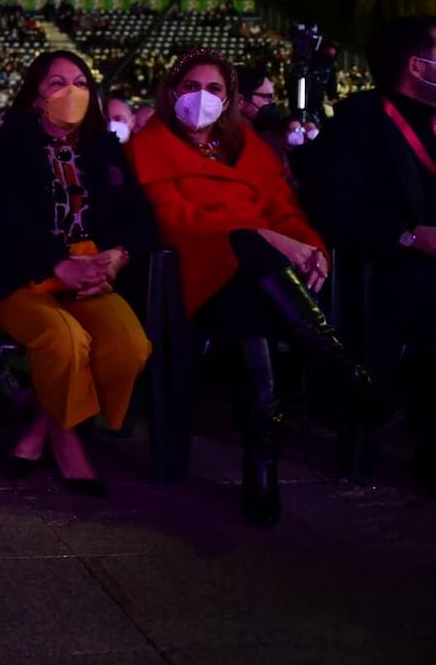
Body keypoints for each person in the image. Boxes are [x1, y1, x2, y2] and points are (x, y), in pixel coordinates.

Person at [128, 48, 382, 525]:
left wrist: (310, 249)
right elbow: (175, 219)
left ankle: (262, 460)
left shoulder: (251, 149)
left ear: (229, 101)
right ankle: (336, 369)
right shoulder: (148, 146)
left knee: (252, 311)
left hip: (257, 280)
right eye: (191, 87)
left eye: (215, 89)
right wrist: (260, 235)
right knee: (249, 254)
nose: (201, 98)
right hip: (198, 272)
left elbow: (286, 210)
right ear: (170, 92)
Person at [0, 51, 155, 497]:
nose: (70, 92)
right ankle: (69, 441)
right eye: (56, 83)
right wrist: (56, 262)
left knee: (130, 345)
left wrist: (117, 256)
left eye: (79, 82)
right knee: (65, 340)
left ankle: (44, 421)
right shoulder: (5, 144)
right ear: (36, 95)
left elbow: (138, 214)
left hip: (92, 272)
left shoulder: (104, 147)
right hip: (22, 277)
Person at [307, 17, 436, 490]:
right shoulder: (361, 122)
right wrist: (408, 235)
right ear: (416, 65)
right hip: (391, 268)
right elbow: (334, 209)